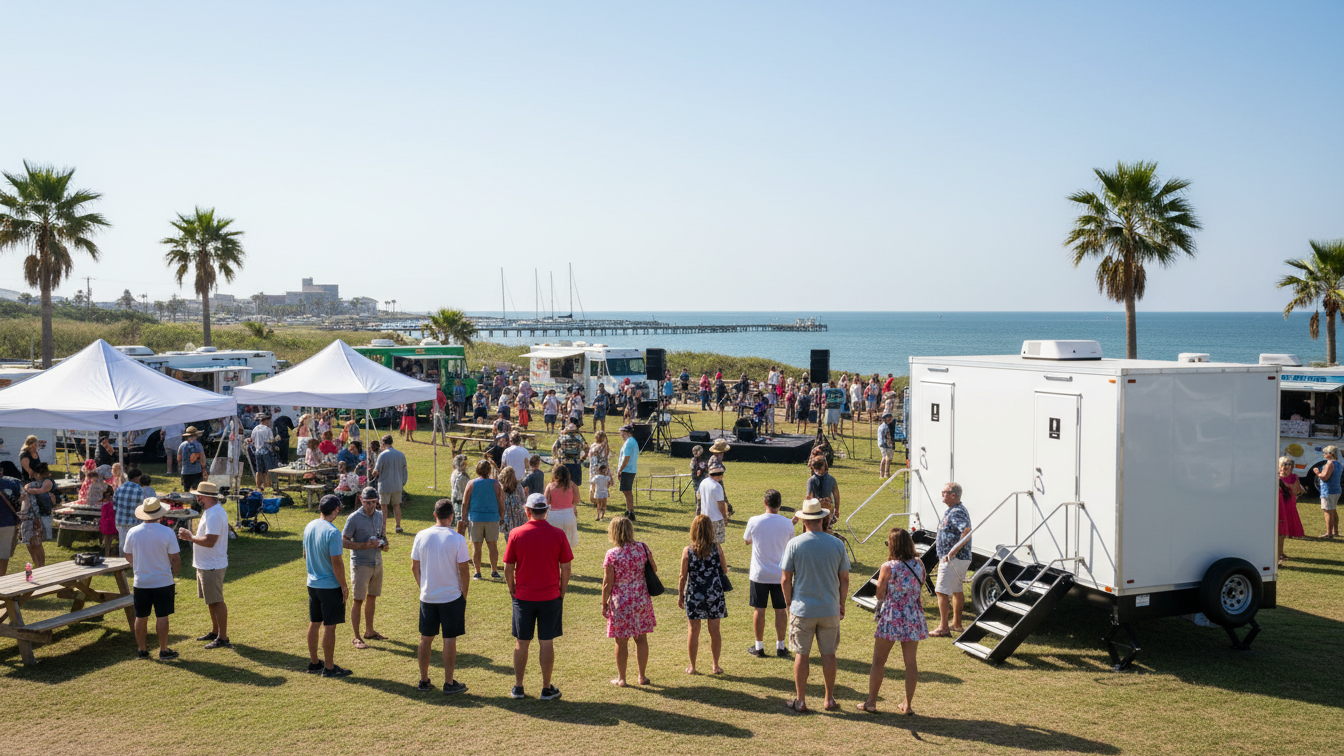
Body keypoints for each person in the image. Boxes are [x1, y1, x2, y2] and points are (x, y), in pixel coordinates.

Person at [781, 497, 850, 714]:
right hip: (829, 607)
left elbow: (785, 578)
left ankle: (800, 700)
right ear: (823, 518)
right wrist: (841, 602)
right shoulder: (837, 544)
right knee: (828, 654)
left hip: (803, 609)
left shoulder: (795, 544)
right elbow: (845, 578)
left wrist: (788, 602)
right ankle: (829, 698)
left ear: (803, 520)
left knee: (802, 654)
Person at [504, 493, 573, 700]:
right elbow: (566, 567)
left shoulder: (516, 534)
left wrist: (512, 588)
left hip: (523, 597)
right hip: (551, 597)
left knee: (521, 642)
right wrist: (562, 590)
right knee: (546, 641)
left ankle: (518, 686)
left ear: (527, 511)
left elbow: (508, 567)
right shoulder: (558, 535)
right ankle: (546, 687)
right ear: (546, 511)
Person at [859, 528, 928, 714]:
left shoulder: (888, 567)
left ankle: (871, 702)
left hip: (892, 616)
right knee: (911, 663)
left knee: (878, 661)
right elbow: (922, 583)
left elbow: (879, 593)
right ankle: (908, 704)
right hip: (913, 615)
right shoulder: (919, 564)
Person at [411, 498, 472, 694]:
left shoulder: (421, 535)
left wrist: (423, 586)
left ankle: (423, 679)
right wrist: (464, 593)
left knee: (425, 639)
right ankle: (448, 681)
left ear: (435, 515)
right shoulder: (458, 539)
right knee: (449, 639)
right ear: (451, 516)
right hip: (451, 597)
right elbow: (464, 570)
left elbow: (415, 566)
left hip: (428, 596)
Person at [174, 481, 232, 648]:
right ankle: (215, 632)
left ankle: (223, 637)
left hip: (212, 564)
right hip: (206, 563)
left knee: (217, 600)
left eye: (199, 494)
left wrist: (190, 537)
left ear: (208, 496)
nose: (197, 497)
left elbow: (210, 541)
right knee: (211, 600)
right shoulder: (210, 511)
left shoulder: (214, 514)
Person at [123, 497, 182, 660]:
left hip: (141, 581)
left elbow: (127, 553)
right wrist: (175, 571)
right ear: (160, 515)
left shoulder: (133, 532)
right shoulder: (167, 532)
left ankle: (142, 649)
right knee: (162, 615)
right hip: (163, 580)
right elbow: (175, 558)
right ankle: (163, 649)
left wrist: (137, 564)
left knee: (141, 616)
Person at [601, 515, 657, 686]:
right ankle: (642, 676)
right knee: (641, 639)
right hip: (641, 597)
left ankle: (622, 678)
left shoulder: (612, 554)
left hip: (621, 600)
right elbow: (653, 568)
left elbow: (607, 583)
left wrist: (604, 602)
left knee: (621, 640)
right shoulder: (642, 548)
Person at [304, 495, 353, 677]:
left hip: (312, 583)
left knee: (314, 623)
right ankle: (330, 667)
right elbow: (337, 563)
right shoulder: (333, 532)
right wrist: (344, 586)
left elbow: (304, 554)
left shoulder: (309, 526)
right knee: (330, 626)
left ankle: (314, 663)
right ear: (336, 510)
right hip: (330, 586)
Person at [743, 489, 794, 658]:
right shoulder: (787, 523)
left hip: (760, 574)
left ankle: (759, 647)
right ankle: (780, 647)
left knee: (759, 609)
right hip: (780, 574)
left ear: (765, 502)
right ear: (780, 504)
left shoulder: (754, 521)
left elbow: (747, 539)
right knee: (780, 610)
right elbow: (789, 542)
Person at [679, 514, 728, 675]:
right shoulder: (716, 548)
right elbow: (724, 570)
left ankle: (692, 666)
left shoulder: (688, 551)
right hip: (714, 594)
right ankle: (715, 665)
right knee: (715, 631)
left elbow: (683, 576)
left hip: (694, 594)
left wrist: (680, 595)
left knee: (693, 631)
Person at [343, 487, 390, 649]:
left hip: (377, 562)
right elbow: (343, 541)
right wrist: (364, 545)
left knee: (372, 596)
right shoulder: (354, 518)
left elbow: (381, 535)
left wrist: (385, 544)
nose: (370, 506)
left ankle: (369, 631)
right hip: (360, 564)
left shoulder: (379, 515)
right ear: (360, 500)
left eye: (373, 502)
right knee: (358, 600)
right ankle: (356, 637)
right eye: (367, 502)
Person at [930, 482, 972, 637]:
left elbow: (966, 532)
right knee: (957, 589)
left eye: (944, 492)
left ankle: (943, 627)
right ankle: (957, 624)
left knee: (941, 591)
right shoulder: (953, 510)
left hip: (954, 559)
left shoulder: (957, 512)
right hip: (956, 558)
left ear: (953, 495)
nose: (942, 494)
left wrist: (952, 552)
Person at [465, 459, 505, 579]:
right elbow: (500, 502)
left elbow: (465, 503)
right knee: (493, 546)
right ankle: (494, 571)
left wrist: (464, 517)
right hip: (492, 518)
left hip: (476, 518)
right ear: (489, 471)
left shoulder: (471, 483)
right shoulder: (496, 484)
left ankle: (477, 572)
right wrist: (501, 516)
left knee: (476, 547)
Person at [21, 463, 56, 568]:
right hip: (30, 514)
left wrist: (28, 490)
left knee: (37, 541)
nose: (35, 476)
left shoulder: (48, 481)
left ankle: (41, 565)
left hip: (40, 514)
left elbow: (40, 491)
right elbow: (27, 487)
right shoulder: (35, 483)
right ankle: (37, 564)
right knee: (29, 541)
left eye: (36, 474)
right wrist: (28, 489)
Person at [372, 434, 408, 534]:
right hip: (397, 484)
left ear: (383, 443)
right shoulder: (401, 454)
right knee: (397, 506)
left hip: (385, 485)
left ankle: (383, 528)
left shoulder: (382, 455)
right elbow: (405, 470)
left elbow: (376, 471)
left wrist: (372, 473)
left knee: (384, 507)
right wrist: (402, 482)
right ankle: (398, 526)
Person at [1278, 456, 1306, 565]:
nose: (1286, 470)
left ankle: (1281, 553)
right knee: (1280, 531)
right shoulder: (1277, 477)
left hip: (1289, 505)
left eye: (1289, 468)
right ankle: (1279, 553)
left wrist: (1283, 483)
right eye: (1284, 467)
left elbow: (1295, 490)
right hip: (1280, 505)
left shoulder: (1294, 477)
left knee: (1284, 532)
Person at [111, 466, 146, 556]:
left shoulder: (119, 489)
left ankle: (121, 564)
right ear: (137, 478)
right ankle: (135, 562)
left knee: (123, 544)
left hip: (120, 521)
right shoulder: (140, 490)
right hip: (135, 522)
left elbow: (114, 507)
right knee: (135, 545)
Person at [545, 464, 580, 547]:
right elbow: (577, 499)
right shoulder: (572, 485)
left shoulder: (551, 486)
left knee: (554, 544)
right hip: (568, 515)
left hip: (554, 516)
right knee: (567, 546)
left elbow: (546, 501)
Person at [804, 456, 841, 529]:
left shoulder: (813, 480)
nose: (818, 471)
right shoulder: (812, 481)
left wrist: (837, 509)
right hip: (822, 507)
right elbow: (809, 497)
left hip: (821, 508)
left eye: (819, 468)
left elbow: (836, 495)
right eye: (816, 469)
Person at [697, 463, 729, 544]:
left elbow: (699, 496)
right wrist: (724, 517)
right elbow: (721, 504)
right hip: (716, 519)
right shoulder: (717, 486)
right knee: (716, 544)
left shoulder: (703, 482)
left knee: (705, 542)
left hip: (704, 518)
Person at [551, 421, 587, 488]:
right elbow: (586, 449)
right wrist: (582, 459)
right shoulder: (578, 440)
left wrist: (556, 459)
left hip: (563, 463)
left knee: (562, 483)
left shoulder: (561, 438)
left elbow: (554, 448)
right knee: (575, 484)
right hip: (575, 464)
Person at [0, 474, 22, 576]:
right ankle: (2, 580)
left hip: (6, 523)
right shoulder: (12, 482)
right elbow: (21, 497)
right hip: (7, 523)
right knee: (4, 555)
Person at [617, 424, 640, 521]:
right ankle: (629, 509)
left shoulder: (629, 442)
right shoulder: (632, 441)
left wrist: (620, 470)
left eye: (623, 433)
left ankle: (630, 511)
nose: (621, 435)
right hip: (630, 469)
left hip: (627, 469)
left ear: (627, 433)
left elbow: (626, 458)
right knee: (626, 491)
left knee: (627, 491)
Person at [499, 466, 526, 540]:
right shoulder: (518, 486)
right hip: (519, 517)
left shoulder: (501, 488)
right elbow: (523, 500)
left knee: (509, 542)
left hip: (507, 518)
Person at [178, 426, 207, 493]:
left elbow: (179, 459)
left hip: (185, 472)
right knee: (197, 490)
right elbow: (202, 457)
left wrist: (180, 469)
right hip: (196, 471)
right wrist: (204, 469)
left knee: (186, 490)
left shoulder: (182, 445)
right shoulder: (198, 445)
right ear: (195, 435)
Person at [689, 445, 708, 514]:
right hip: (696, 480)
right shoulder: (693, 460)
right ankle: (699, 511)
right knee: (698, 495)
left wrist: (703, 469)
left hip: (704, 479)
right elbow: (693, 470)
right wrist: (698, 470)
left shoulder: (704, 459)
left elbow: (706, 467)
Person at [878, 411, 896, 478]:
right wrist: (886, 444)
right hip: (884, 444)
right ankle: (884, 474)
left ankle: (884, 474)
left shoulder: (887, 426)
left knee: (886, 458)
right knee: (886, 458)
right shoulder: (884, 427)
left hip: (886, 444)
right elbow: (883, 437)